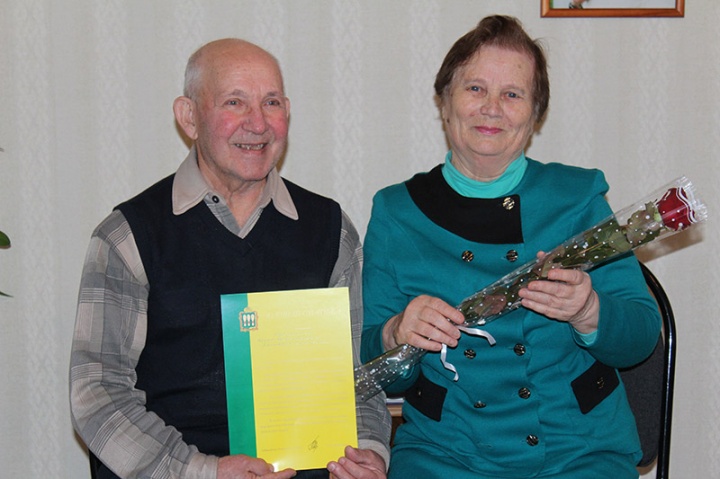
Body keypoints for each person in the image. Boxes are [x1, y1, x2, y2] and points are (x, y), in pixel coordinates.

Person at [70, 38, 390, 479]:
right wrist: (204, 472)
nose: (257, 123)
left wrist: (368, 452)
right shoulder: (127, 236)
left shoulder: (331, 232)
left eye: (271, 102)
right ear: (189, 117)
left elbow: (355, 378)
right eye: (234, 102)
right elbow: (97, 394)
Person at [360, 15, 661, 479]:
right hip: (445, 454)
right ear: (444, 102)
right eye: (475, 88)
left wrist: (589, 311)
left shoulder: (578, 198)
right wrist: (396, 332)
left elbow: (640, 337)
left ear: (535, 114)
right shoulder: (397, 212)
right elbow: (375, 369)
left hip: (578, 450)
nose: (492, 108)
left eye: (513, 94)